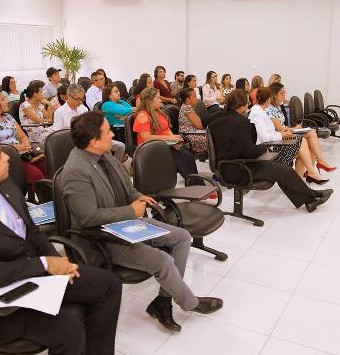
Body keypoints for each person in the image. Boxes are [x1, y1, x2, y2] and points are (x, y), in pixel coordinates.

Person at [0, 131, 122, 355]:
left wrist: (58, 262)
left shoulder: (5, 184)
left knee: (108, 284)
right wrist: (44, 264)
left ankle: (88, 354)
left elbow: (32, 232)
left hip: (34, 275)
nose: (7, 157)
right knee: (69, 328)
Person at [61, 111, 222, 332]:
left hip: (125, 222)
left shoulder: (104, 154)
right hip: (103, 237)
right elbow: (88, 218)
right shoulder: (75, 171)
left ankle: (163, 301)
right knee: (163, 260)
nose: (112, 135)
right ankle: (190, 303)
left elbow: (126, 187)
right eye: (107, 132)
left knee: (182, 237)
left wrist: (138, 196)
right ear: (93, 141)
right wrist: (130, 210)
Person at [210, 90, 332, 212]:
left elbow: (207, 122)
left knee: (282, 170)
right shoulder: (241, 123)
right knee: (283, 170)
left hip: (226, 167)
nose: (248, 107)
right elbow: (250, 152)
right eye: (247, 104)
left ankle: (310, 199)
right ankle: (312, 197)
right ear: (241, 107)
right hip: (240, 169)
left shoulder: (217, 119)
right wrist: (263, 148)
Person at [0, 89, 46, 197]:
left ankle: (45, 199)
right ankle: (44, 201)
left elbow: (22, 136)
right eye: (3, 99)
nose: (7, 101)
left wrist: (26, 145)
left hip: (24, 154)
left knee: (46, 166)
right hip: (5, 160)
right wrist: (14, 148)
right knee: (36, 176)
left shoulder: (8, 117)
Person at [250, 88, 328, 185]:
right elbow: (265, 137)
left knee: (303, 148)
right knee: (302, 142)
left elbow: (269, 133)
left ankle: (300, 181)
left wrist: (283, 133)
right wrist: (281, 135)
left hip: (272, 144)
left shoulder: (260, 111)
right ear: (268, 99)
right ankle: (309, 174)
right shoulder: (257, 114)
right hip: (268, 149)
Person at [133, 88, 202, 183]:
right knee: (184, 159)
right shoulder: (143, 115)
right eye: (158, 98)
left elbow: (167, 129)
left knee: (189, 156)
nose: (160, 100)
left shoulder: (158, 112)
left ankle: (196, 184)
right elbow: (147, 138)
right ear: (149, 100)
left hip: (165, 144)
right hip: (152, 148)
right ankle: (195, 184)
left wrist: (174, 140)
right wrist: (169, 138)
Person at [268, 82, 336, 173]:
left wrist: (295, 128)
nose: (284, 95)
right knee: (309, 137)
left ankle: (311, 170)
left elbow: (283, 127)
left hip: (285, 135)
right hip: (279, 141)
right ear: (274, 95)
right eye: (281, 93)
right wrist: (295, 129)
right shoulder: (270, 110)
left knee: (311, 139)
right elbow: (281, 130)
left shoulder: (278, 108)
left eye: (285, 92)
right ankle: (317, 165)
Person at [178, 88, 207, 154]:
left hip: (194, 132)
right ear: (187, 100)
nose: (196, 98)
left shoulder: (190, 107)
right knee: (212, 139)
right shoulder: (186, 109)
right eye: (194, 97)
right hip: (188, 136)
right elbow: (199, 126)